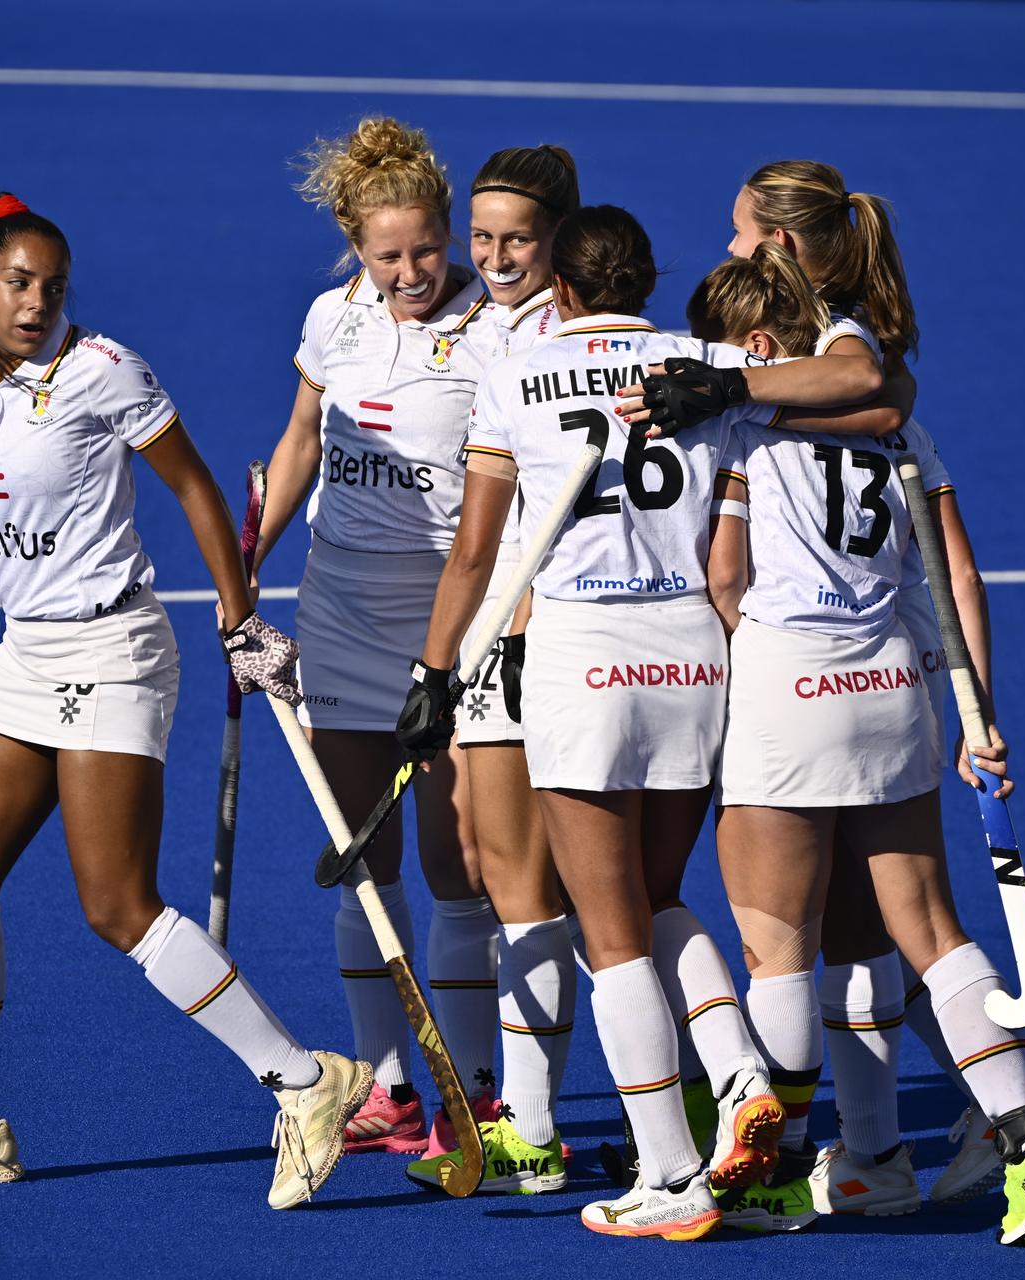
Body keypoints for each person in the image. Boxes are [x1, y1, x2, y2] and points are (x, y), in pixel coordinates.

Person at [0, 193, 372, 1209]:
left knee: (117, 906)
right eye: (17, 283)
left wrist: (238, 615)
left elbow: (196, 488)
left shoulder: (104, 370)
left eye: (52, 287)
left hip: (114, 650)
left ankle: (305, 1079)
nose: (35, 303)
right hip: (25, 653)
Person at [397, 204, 886, 1239]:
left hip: (582, 662)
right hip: (691, 660)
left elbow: (477, 553)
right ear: (647, 279)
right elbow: (865, 384)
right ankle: (742, 1076)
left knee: (610, 933)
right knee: (660, 898)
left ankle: (671, 1171)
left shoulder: (515, 371)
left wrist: (436, 671)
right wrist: (744, 380)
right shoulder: (705, 362)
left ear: (562, 286)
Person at [688, 243, 1025, 1246]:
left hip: (786, 694)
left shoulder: (741, 423)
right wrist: (977, 714)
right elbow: (955, 575)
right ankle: (1021, 1141)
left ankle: (777, 1178)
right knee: (930, 933)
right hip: (894, 691)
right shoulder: (901, 424)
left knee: (779, 951)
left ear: (762, 347)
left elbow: (725, 579)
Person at [250, 118, 496, 1154]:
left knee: (458, 863)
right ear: (355, 246)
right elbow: (302, 441)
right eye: (388, 255)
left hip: (451, 616)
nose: (411, 272)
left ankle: (476, 1094)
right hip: (340, 608)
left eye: (427, 249)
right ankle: (387, 1085)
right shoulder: (333, 317)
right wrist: (247, 559)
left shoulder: (495, 327)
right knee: (362, 854)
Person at [405, 144, 582, 1194]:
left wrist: (447, 661)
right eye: (484, 237)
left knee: (535, 886)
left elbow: (494, 535)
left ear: (560, 237)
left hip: (524, 632)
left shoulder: (552, 337)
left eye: (519, 238)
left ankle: (534, 1128)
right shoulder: (485, 324)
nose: (497, 256)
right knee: (486, 860)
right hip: (489, 633)